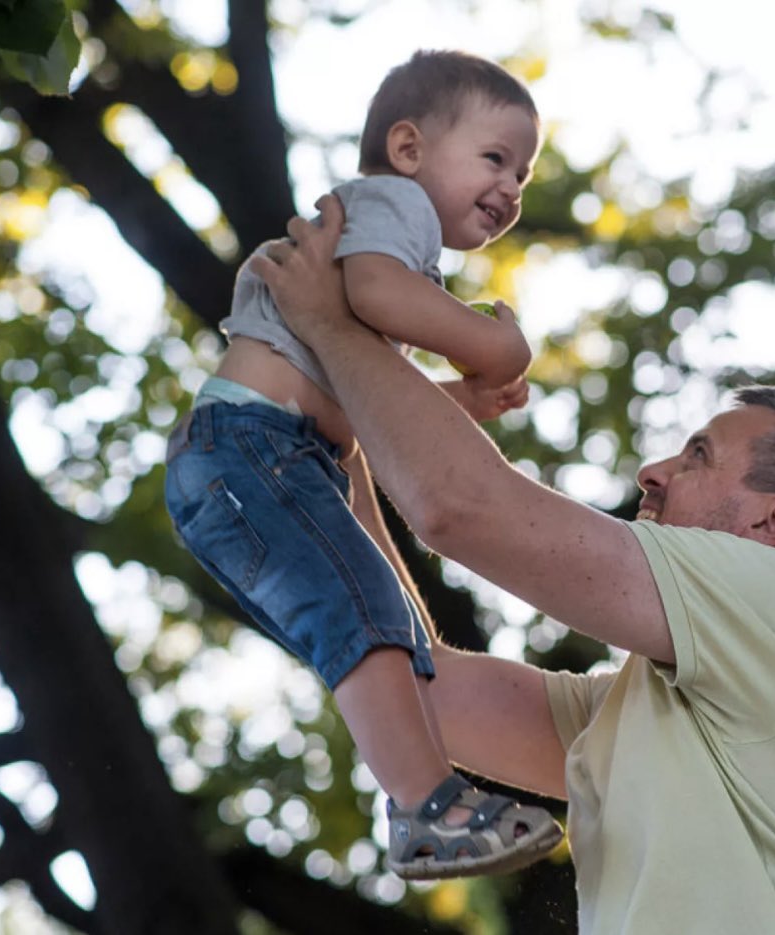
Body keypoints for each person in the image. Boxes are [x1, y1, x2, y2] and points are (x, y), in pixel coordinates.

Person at [249, 195, 775, 933]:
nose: (653, 470)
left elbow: (460, 507)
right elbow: (426, 695)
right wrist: (344, 440)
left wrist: (331, 328)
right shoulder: (651, 709)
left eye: (698, 455)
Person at [164, 50, 562, 881]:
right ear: (410, 147)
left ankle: (420, 797)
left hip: (267, 457)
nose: (512, 188)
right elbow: (378, 298)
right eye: (496, 158)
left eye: (523, 173)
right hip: (254, 449)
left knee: (382, 613)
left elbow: (351, 385)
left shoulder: (397, 232)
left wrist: (451, 398)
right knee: (361, 605)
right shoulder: (393, 208)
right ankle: (431, 808)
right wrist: (494, 341)